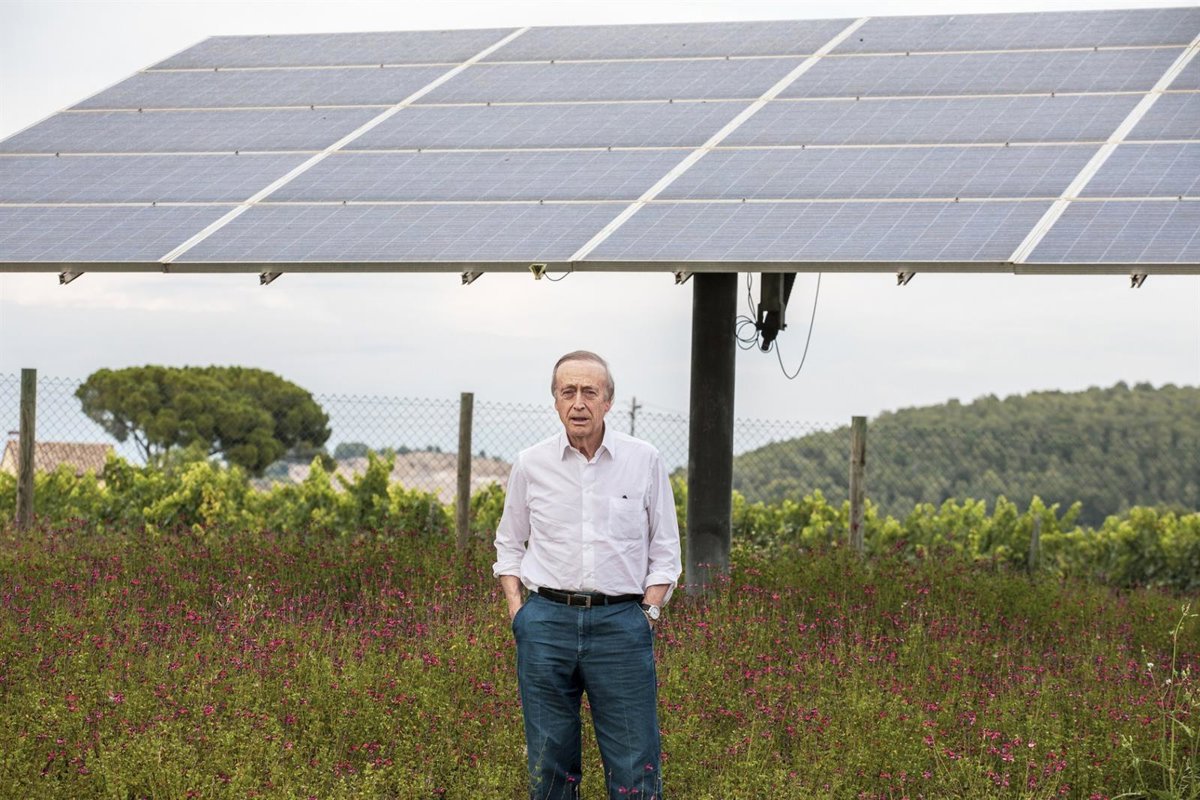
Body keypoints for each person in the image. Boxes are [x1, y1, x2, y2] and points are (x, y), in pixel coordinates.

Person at [494, 350, 682, 800]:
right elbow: (509, 543)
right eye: (568, 392)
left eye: (589, 392)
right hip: (545, 623)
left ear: (608, 401)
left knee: (635, 765)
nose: (578, 403)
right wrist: (520, 611)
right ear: (556, 401)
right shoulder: (530, 464)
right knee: (549, 764)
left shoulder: (644, 460)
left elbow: (666, 550)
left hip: (621, 625)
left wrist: (649, 613)